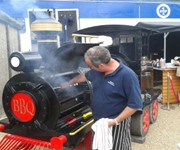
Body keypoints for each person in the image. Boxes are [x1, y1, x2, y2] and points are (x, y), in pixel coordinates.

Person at [60, 46, 142, 150]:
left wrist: (115, 121)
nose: (90, 69)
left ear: (101, 65)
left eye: (90, 66)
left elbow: (134, 105)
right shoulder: (97, 71)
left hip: (116, 123)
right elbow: (85, 76)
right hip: (98, 122)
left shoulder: (127, 75)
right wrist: (69, 82)